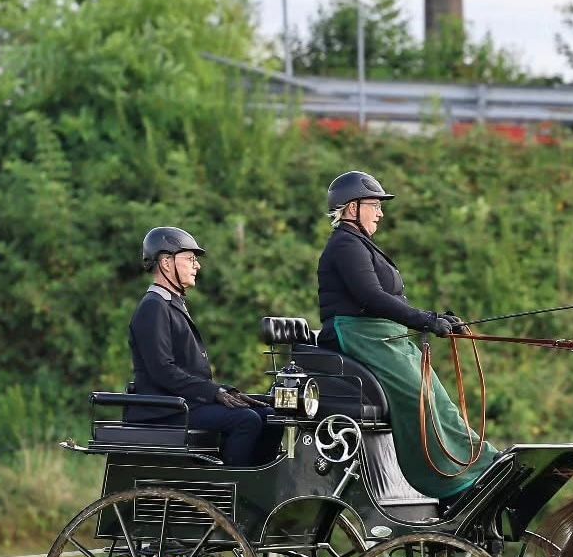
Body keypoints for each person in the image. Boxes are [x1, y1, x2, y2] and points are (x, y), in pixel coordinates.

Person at [317, 171, 497, 498]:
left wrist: (438, 319)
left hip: (386, 335)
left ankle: (480, 462)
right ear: (352, 208)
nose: (381, 212)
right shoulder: (345, 245)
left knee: (439, 400)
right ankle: (448, 483)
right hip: (359, 334)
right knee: (417, 399)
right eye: (374, 205)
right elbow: (372, 297)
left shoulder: (360, 244)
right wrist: (426, 320)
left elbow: (392, 299)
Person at [128, 226, 282, 467]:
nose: (197, 265)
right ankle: (235, 490)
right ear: (166, 263)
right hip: (165, 411)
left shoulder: (171, 304)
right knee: (246, 421)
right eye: (190, 259)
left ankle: (262, 488)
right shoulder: (153, 307)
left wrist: (224, 390)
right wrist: (213, 392)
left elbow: (185, 371)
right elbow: (162, 370)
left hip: (184, 404)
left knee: (271, 416)